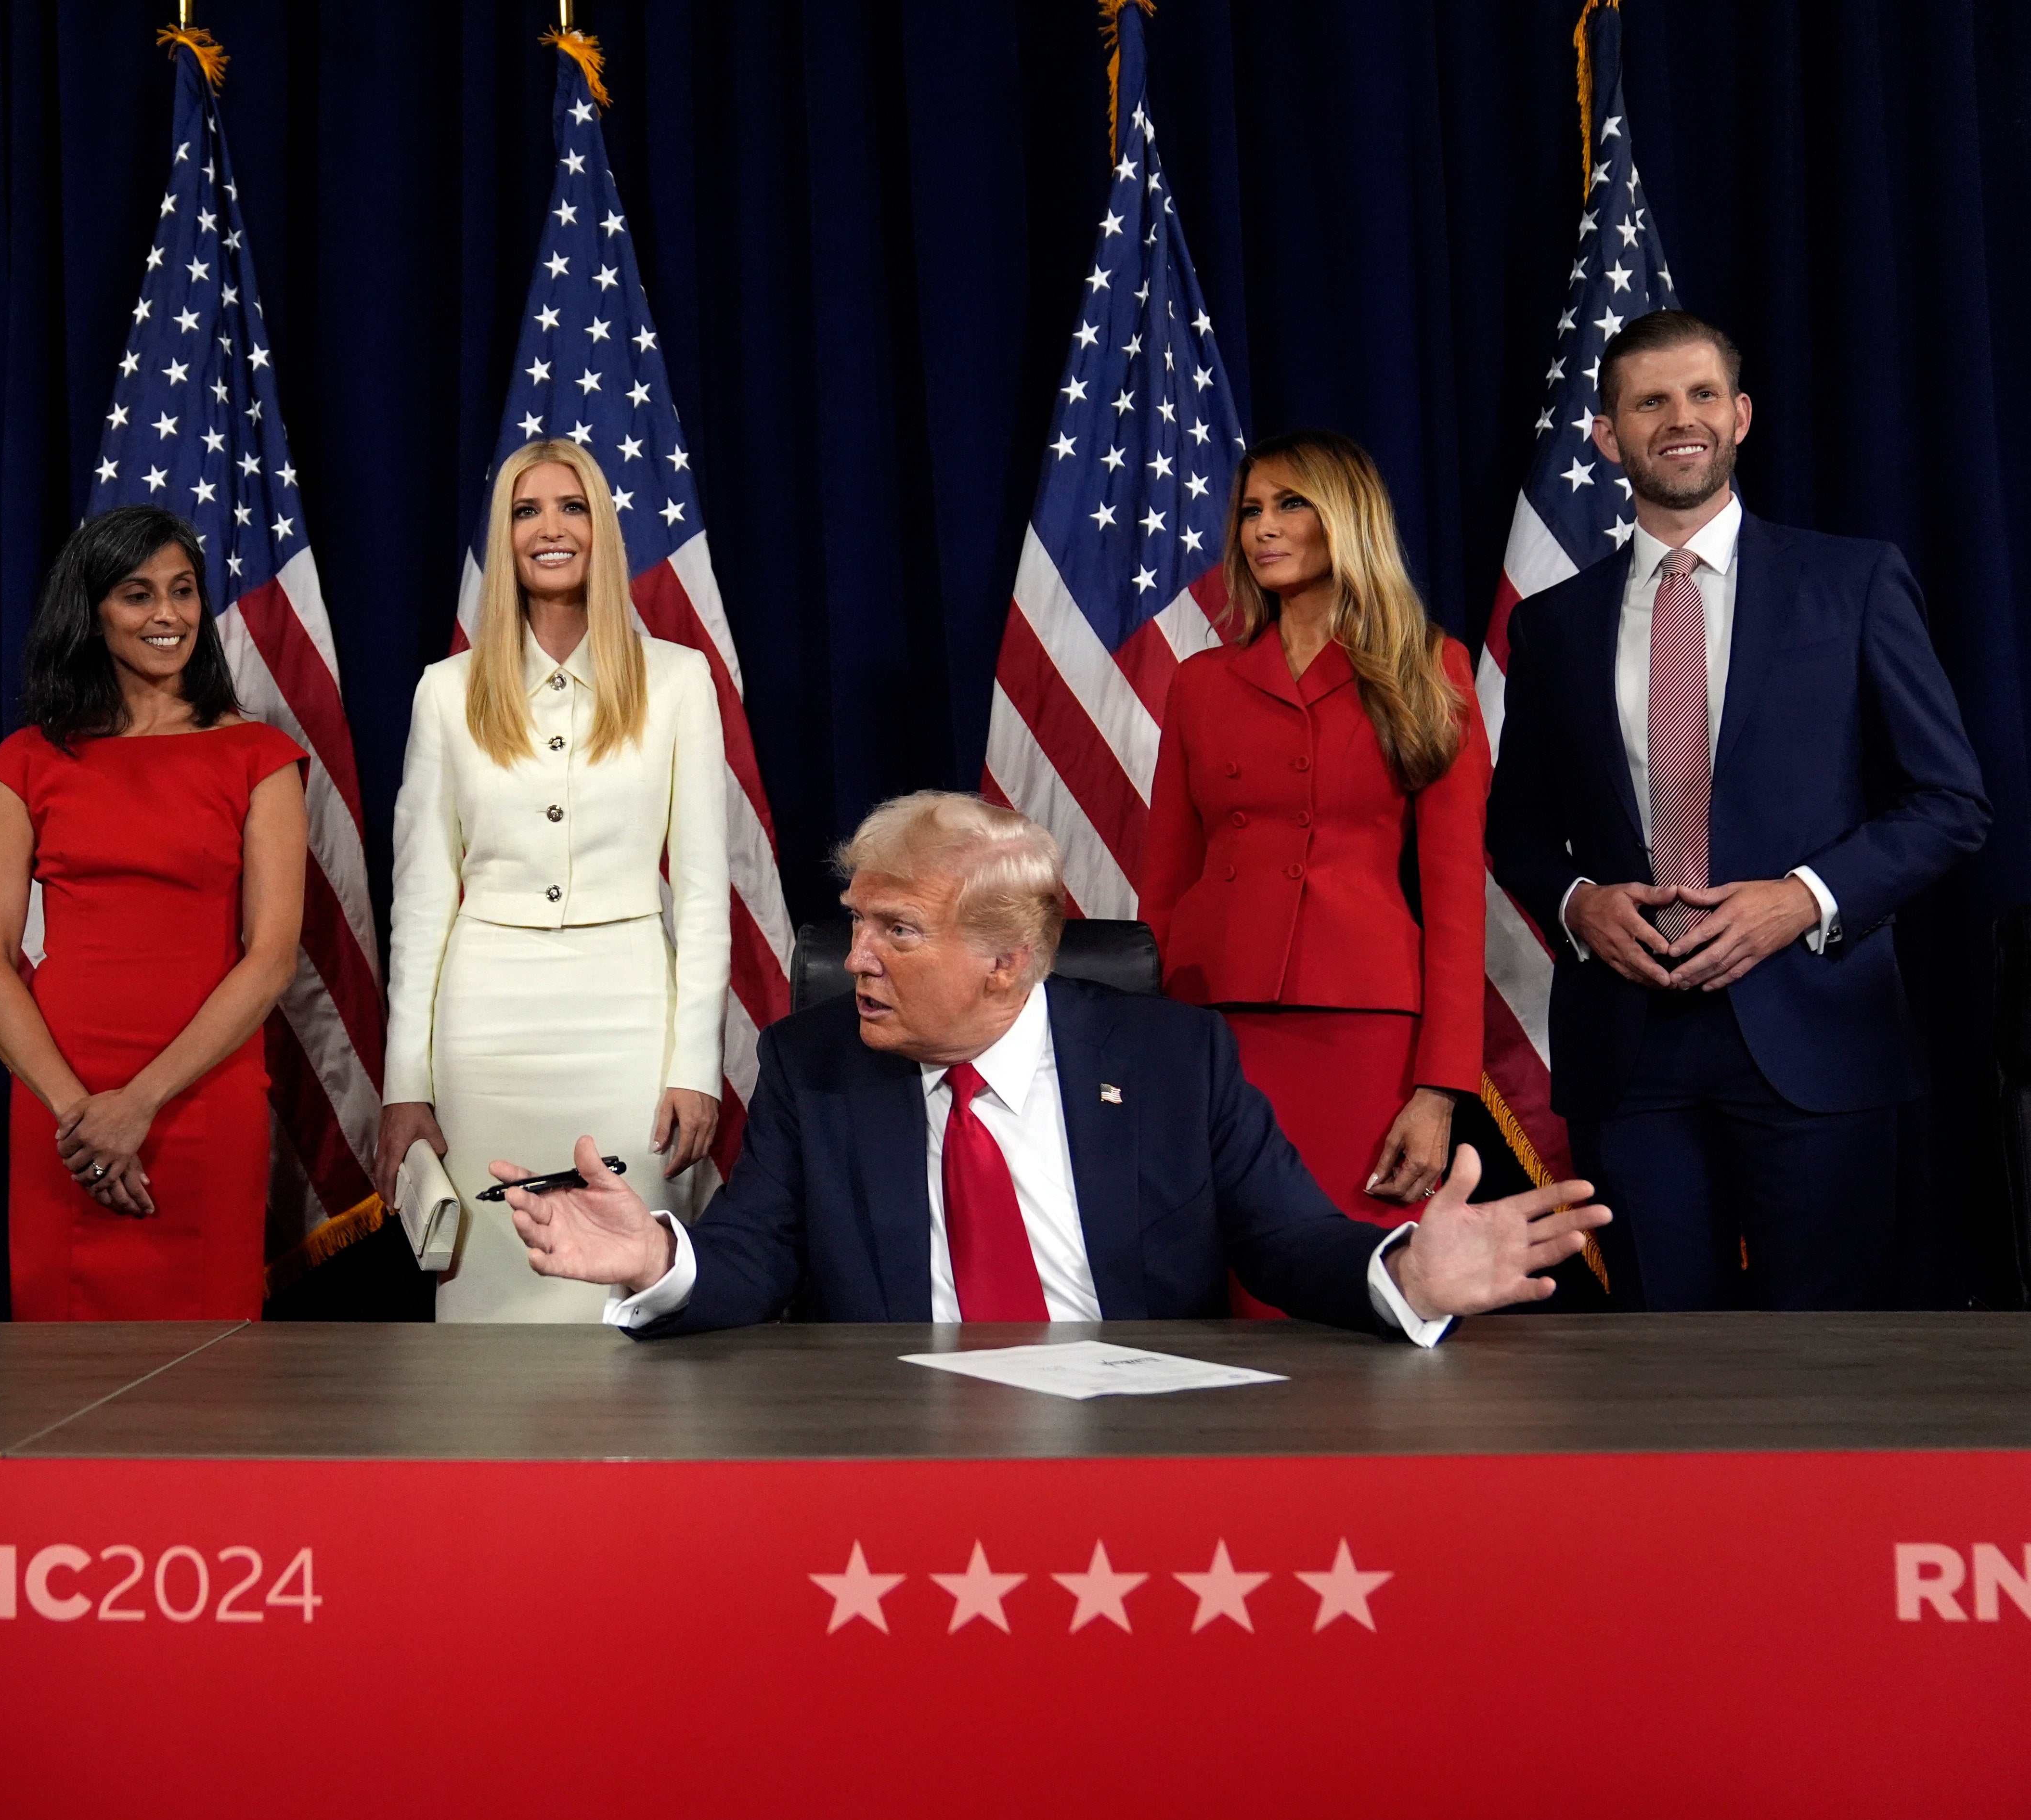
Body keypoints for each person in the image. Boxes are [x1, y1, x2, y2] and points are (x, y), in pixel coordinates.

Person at [492, 792, 1603, 1340]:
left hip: (1135, 1444)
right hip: (895, 1454)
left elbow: (1291, 1241)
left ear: (1005, 962)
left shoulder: (1174, 1058)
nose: (855, 960)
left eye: (896, 931)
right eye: (855, 925)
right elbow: (749, 1257)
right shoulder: (811, 1065)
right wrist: (652, 1259)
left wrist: (1401, 1274)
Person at [1487, 310, 1988, 1310]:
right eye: (1649, 401)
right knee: (1663, 1378)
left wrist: (1800, 898)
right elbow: (1516, 827)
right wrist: (1579, 901)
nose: (1680, 419)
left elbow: (1947, 802)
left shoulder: (1850, 583)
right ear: (1605, 436)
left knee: (1826, 1370)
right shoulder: (1550, 624)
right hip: (1628, 1053)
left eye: (1701, 394)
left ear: (1740, 414)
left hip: (1815, 1027)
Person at [375, 439, 731, 1321]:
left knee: (624, 1261)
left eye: (571, 507)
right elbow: (421, 904)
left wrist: (697, 1063)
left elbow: (701, 892)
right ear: (505, 538)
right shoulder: (445, 692)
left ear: (602, 529)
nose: (549, 528)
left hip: (628, 1016)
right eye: (525, 511)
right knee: (490, 1268)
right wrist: (403, 1084)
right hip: (486, 1025)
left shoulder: (680, 680)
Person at [1138, 430, 1491, 1315]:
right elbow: (1163, 885)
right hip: (1210, 1026)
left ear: (1347, 519)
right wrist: (1140, 1047)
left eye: (1290, 504)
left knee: (1346, 1281)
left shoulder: (1429, 669)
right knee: (1214, 1285)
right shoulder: (1200, 683)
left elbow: (1455, 898)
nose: (1263, 527)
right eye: (1251, 509)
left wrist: (1438, 1088)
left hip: (1362, 1030)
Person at [0, 505, 308, 1321]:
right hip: (61, 1098)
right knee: (56, 1363)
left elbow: (271, 956)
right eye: (138, 594)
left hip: (201, 1090)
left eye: (183, 592)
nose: (168, 615)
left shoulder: (260, 756)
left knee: (206, 1364)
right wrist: (80, 1117)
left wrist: (139, 1103)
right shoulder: (27, 759)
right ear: (92, 612)